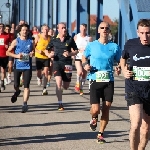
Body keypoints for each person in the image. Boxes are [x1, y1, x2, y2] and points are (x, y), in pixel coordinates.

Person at [82, 21, 121, 143]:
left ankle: (100, 134)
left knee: (107, 107)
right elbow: (84, 57)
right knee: (95, 109)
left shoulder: (114, 47)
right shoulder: (92, 45)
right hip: (94, 78)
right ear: (98, 30)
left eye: (107, 28)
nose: (104, 30)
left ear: (109, 31)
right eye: (102, 28)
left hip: (109, 79)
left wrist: (119, 67)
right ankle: (94, 117)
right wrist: (85, 65)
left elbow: (120, 61)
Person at [120, 19, 150, 150]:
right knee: (136, 123)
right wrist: (124, 70)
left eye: (148, 33)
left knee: (146, 128)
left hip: (149, 90)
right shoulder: (130, 44)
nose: (145, 36)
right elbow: (123, 59)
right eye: (142, 33)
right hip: (134, 88)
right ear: (138, 32)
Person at [45, 22, 78, 110]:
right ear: (58, 29)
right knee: (58, 82)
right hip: (57, 63)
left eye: (65, 28)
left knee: (66, 86)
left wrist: (70, 53)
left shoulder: (70, 39)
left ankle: (62, 89)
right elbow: (46, 50)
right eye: (62, 28)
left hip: (67, 64)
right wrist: (49, 55)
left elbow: (76, 51)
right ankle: (60, 103)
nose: (64, 29)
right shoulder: (53, 39)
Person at [6, 24, 35, 113]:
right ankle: (17, 91)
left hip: (27, 66)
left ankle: (25, 104)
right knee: (16, 85)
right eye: (23, 30)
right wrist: (16, 56)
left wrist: (32, 54)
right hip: (17, 66)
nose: (25, 32)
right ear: (20, 31)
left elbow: (33, 51)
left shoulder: (31, 41)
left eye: (26, 30)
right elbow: (7, 52)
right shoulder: (16, 41)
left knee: (26, 86)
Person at [74, 23, 92, 95]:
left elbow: (91, 48)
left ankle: (81, 88)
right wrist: (75, 51)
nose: (83, 30)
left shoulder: (89, 38)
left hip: (86, 58)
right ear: (80, 29)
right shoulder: (76, 37)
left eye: (85, 29)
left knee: (84, 74)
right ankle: (78, 83)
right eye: (82, 28)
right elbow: (72, 46)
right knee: (79, 72)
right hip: (78, 57)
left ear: (86, 29)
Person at [34, 24, 51, 95]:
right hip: (38, 57)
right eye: (44, 29)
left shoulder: (50, 38)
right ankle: (39, 77)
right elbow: (33, 47)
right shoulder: (38, 37)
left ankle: (44, 88)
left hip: (46, 57)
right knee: (39, 72)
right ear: (42, 30)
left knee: (46, 71)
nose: (46, 31)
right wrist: (38, 51)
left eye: (47, 29)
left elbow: (52, 47)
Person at [0, 23, 11, 92]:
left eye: (1, 27)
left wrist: (8, 46)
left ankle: (2, 83)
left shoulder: (7, 35)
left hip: (4, 55)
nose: (0, 28)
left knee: (3, 70)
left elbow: (11, 44)